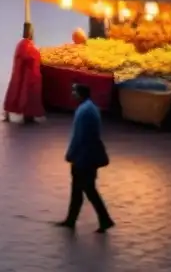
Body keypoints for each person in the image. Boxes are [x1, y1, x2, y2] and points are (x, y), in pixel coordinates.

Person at [56, 84, 114, 233]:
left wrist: (71, 153)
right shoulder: (90, 108)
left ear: (80, 94)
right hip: (88, 156)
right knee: (79, 190)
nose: (72, 94)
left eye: (74, 92)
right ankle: (72, 220)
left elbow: (79, 137)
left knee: (87, 189)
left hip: (83, 158)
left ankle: (104, 219)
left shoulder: (84, 111)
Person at [3, 23, 45, 123]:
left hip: (20, 74)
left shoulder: (21, 45)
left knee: (16, 91)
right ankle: (28, 114)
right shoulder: (28, 46)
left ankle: (11, 111)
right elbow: (31, 58)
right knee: (28, 93)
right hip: (29, 75)